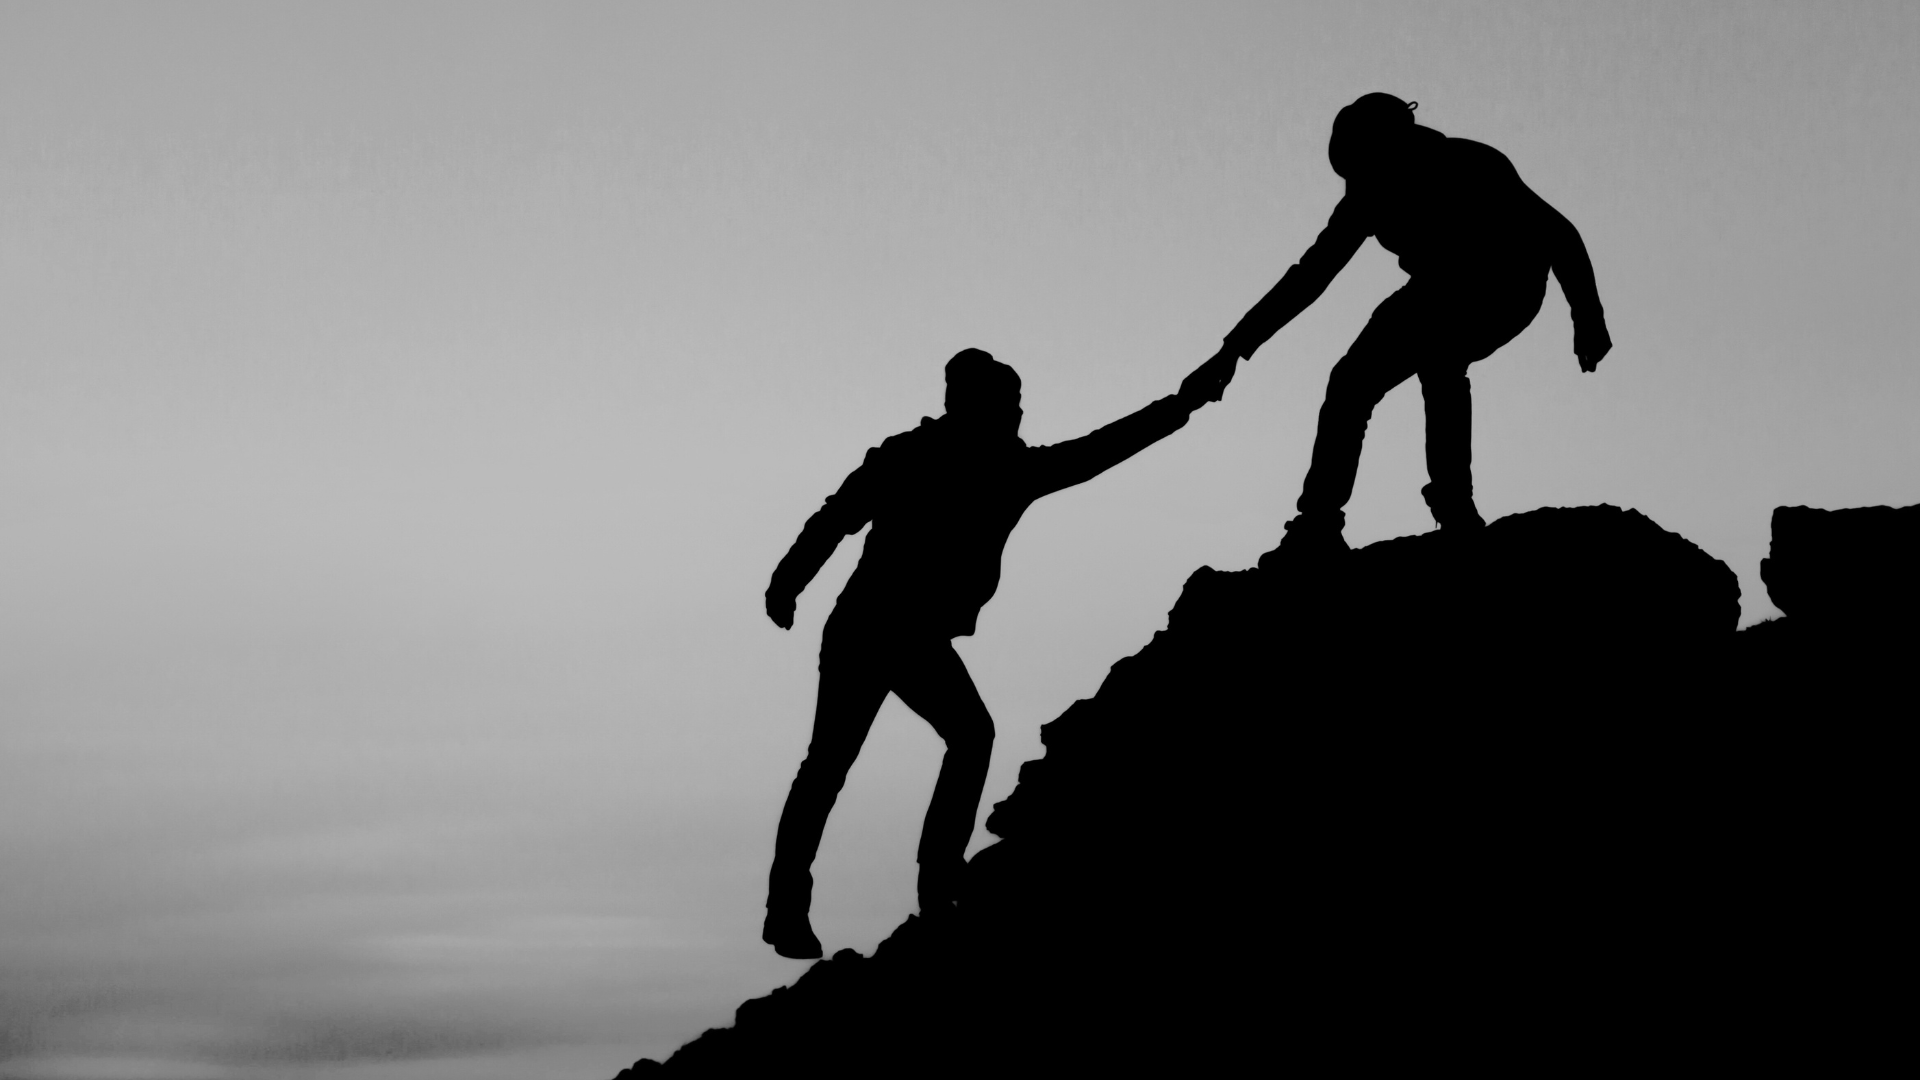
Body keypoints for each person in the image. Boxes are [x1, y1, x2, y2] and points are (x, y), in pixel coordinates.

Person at [760, 347, 1235, 958]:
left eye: (1016, 405)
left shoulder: (1001, 468)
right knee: (844, 760)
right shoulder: (917, 457)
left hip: (901, 634)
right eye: (1006, 404)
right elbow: (837, 517)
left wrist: (1180, 406)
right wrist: (787, 581)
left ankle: (925, 883)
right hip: (870, 628)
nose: (1015, 415)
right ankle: (834, 899)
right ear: (973, 405)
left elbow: (1096, 453)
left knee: (943, 740)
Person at [1208, 92, 1612, 558]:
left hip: (1509, 283)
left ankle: (1455, 507)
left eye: (1364, 169)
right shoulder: (1365, 196)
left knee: (1440, 356)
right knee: (1351, 382)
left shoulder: (1471, 163)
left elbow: (1558, 234)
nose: (1360, 185)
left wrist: (1588, 318)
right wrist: (1235, 347)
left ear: (1394, 146)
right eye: (1352, 176)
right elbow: (1311, 275)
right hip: (1436, 286)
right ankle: (1318, 521)